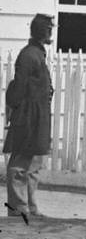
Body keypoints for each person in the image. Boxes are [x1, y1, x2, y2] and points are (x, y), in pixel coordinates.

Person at [5, 14, 54, 222]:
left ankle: (31, 207)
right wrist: (15, 111)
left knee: (34, 164)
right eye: (49, 29)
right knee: (20, 164)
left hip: (39, 115)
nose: (51, 32)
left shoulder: (38, 54)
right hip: (27, 115)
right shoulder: (28, 55)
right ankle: (18, 209)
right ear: (41, 31)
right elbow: (18, 87)